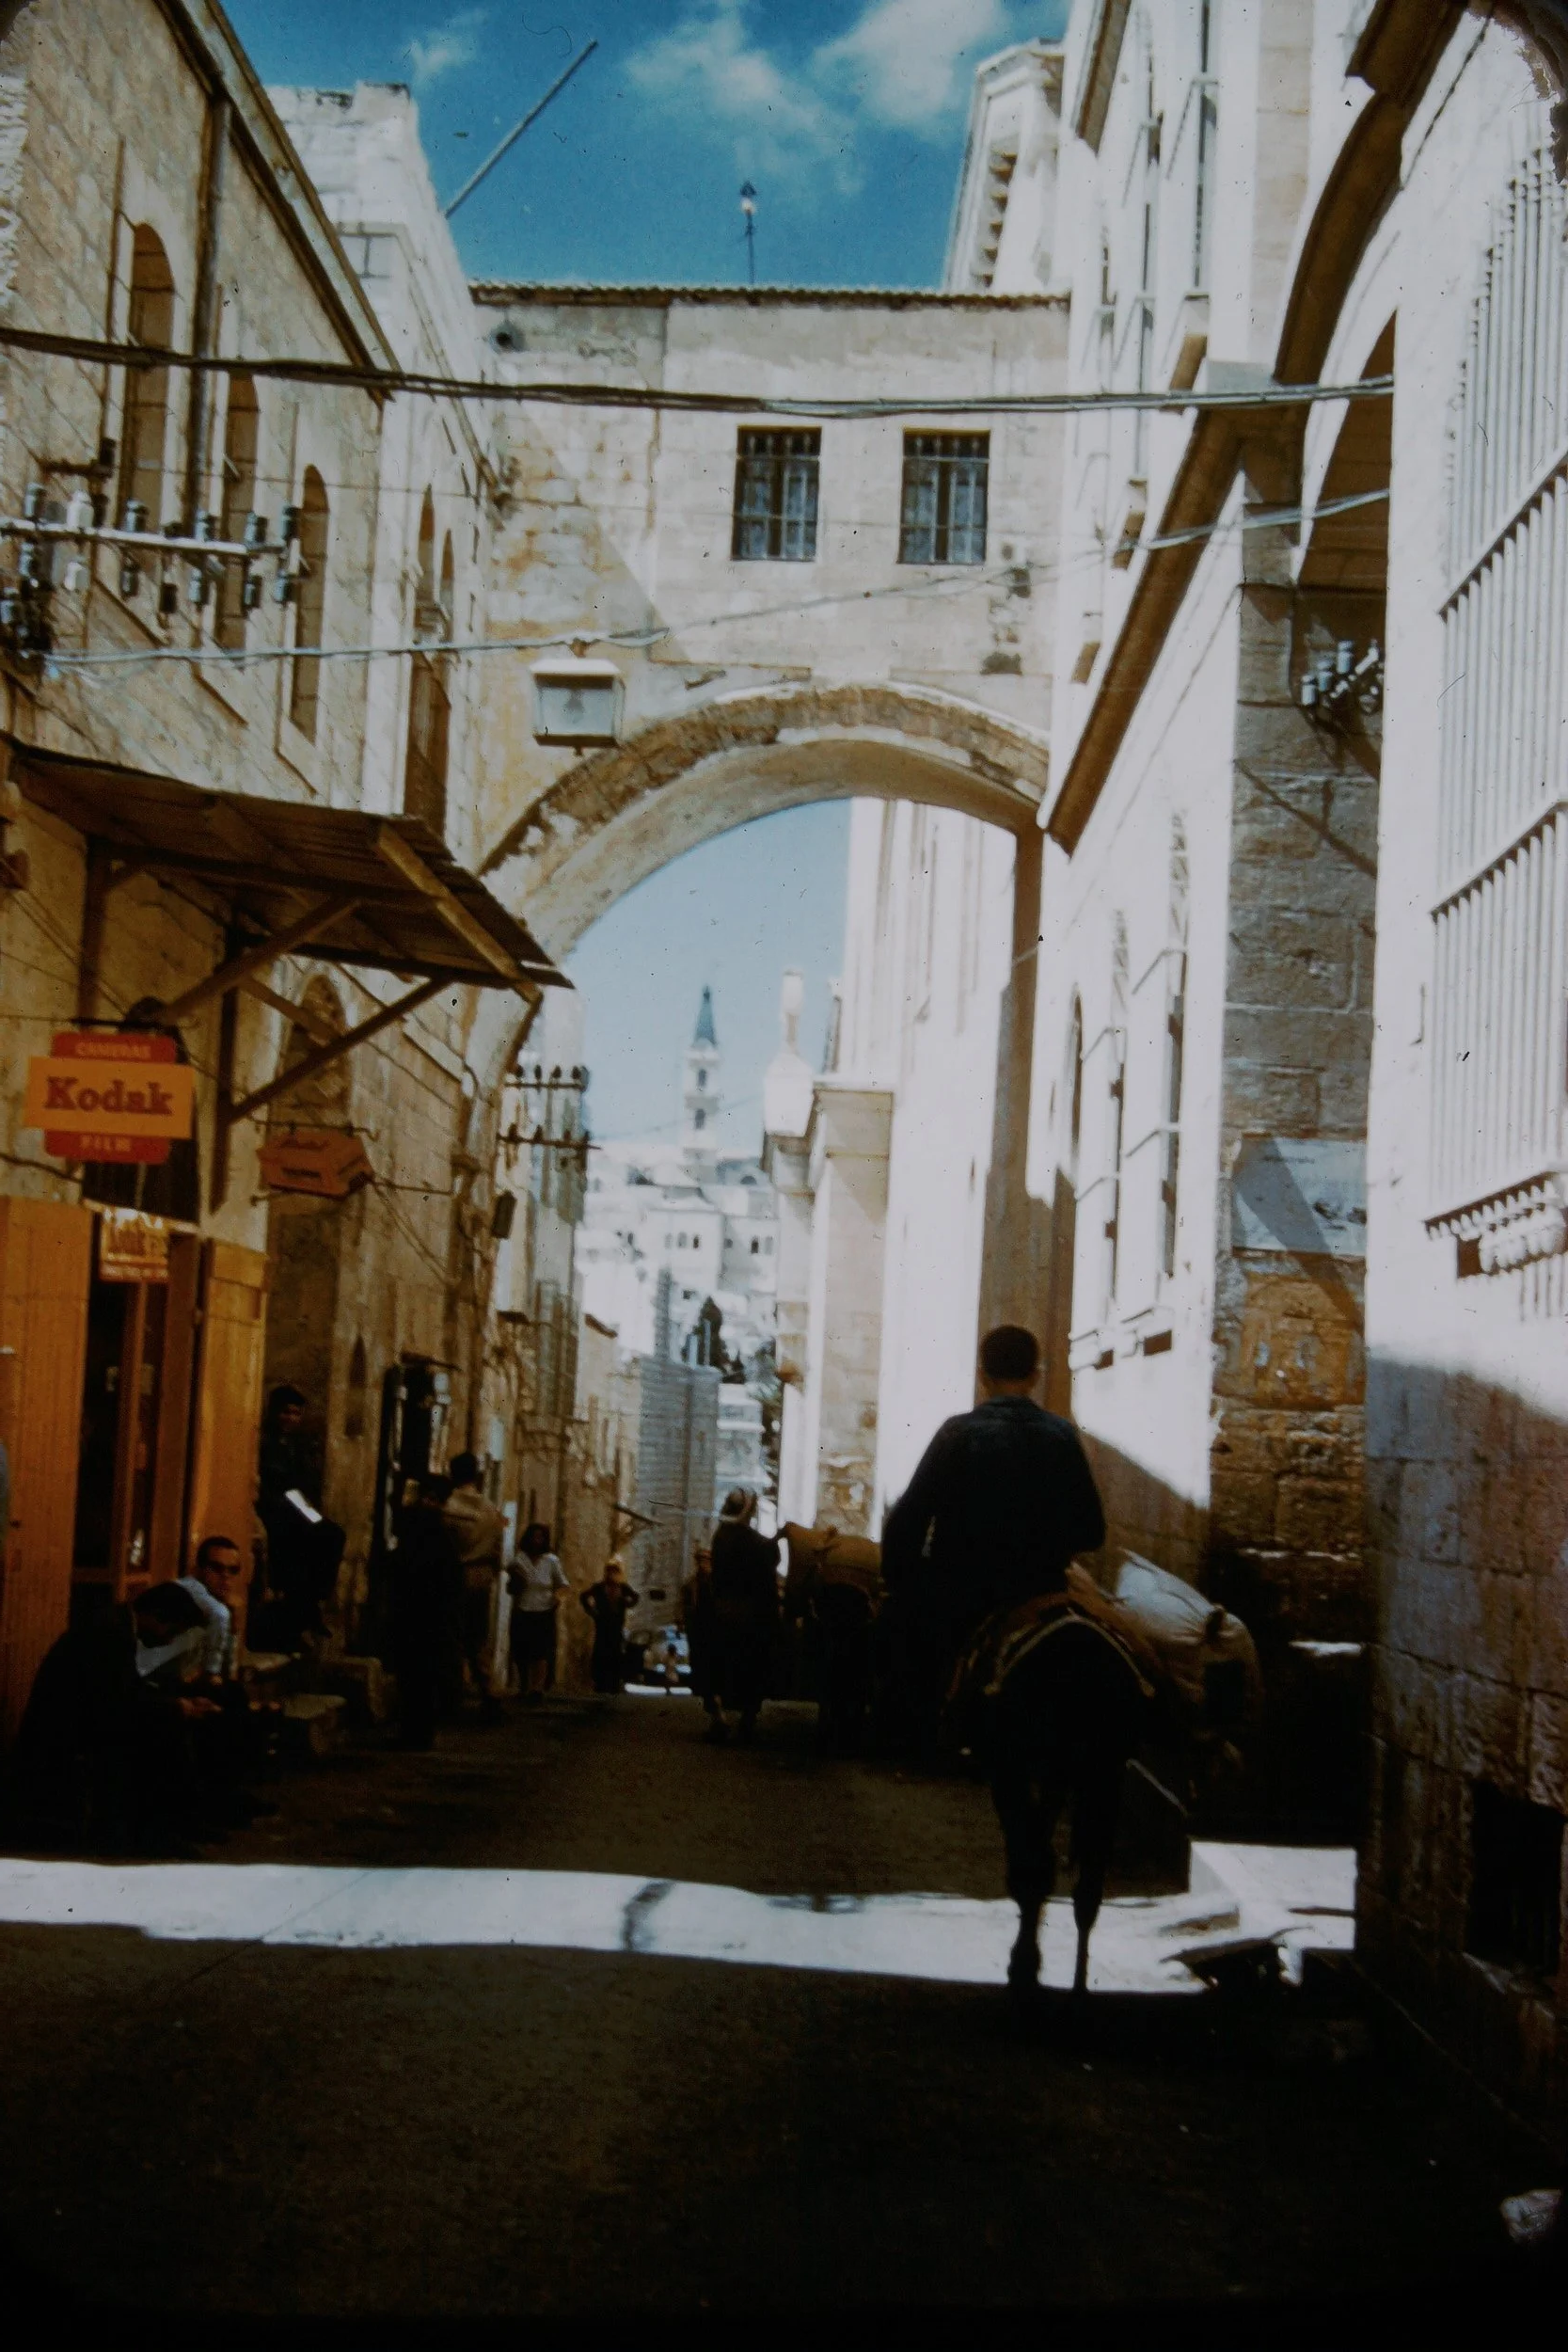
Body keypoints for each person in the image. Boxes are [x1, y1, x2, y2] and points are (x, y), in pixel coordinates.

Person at [879, 1324, 1106, 1748]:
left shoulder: (957, 1434)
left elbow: (909, 1519)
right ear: (1035, 1375)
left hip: (962, 1593)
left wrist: (901, 1578)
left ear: (982, 1375)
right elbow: (1092, 1531)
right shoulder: (1062, 1435)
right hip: (1042, 1592)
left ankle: (917, 1732)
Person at [12, 1581, 218, 1852]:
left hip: (80, 1721)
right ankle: (157, 1831)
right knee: (163, 1733)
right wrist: (176, 1708)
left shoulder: (116, 1626)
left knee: (165, 1723)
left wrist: (175, 1704)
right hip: (63, 1733)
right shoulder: (110, 1634)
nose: (169, 1640)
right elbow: (117, 1702)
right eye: (172, 1631)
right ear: (156, 1616)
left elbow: (122, 1690)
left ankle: (172, 1825)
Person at [256, 1384, 346, 1649]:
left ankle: (313, 1602)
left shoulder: (298, 1446)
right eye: (286, 1413)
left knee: (331, 1535)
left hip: (294, 1509)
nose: (291, 1419)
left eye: (296, 1414)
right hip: (276, 1509)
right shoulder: (267, 1443)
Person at [388, 1473, 464, 1751]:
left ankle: (415, 1731)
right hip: (429, 1615)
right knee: (420, 1675)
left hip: (419, 1614)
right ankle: (417, 1730)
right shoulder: (438, 1533)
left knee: (416, 1675)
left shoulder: (424, 1531)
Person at [707, 1487, 781, 1746]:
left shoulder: (719, 1538)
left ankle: (718, 1714)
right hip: (751, 1614)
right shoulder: (757, 1544)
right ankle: (747, 1720)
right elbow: (768, 1579)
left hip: (721, 1610)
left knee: (716, 1664)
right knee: (756, 1664)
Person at [445, 1452, 506, 1713]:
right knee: (477, 1636)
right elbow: (497, 1550)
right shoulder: (491, 1510)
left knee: (451, 1633)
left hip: (454, 1573)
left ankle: (452, 1691)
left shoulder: (448, 1506)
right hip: (481, 1576)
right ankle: (489, 1688)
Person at [509, 1521, 568, 1703]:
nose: (537, 1540)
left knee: (541, 1651)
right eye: (534, 1536)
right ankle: (523, 1686)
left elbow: (563, 1584)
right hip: (522, 1609)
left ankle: (537, 1688)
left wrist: (558, 1598)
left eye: (540, 1537)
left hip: (544, 1610)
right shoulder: (519, 1559)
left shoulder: (551, 1561)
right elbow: (511, 1582)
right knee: (521, 1649)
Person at [579, 1556, 640, 1694]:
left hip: (616, 1625)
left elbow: (635, 1597)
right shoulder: (599, 1587)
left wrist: (626, 1603)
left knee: (615, 1653)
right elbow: (584, 1597)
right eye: (609, 1571)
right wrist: (592, 1611)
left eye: (614, 1572)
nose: (611, 1575)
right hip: (602, 1625)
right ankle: (599, 1682)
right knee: (600, 1653)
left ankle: (614, 1682)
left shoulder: (623, 1587)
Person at [683, 1544, 721, 1728]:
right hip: (696, 1628)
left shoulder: (717, 1585)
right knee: (697, 1658)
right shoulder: (691, 1584)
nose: (703, 1564)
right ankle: (699, 1687)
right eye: (700, 1561)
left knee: (711, 1661)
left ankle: (710, 1693)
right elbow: (685, 1605)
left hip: (712, 1630)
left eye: (706, 1561)